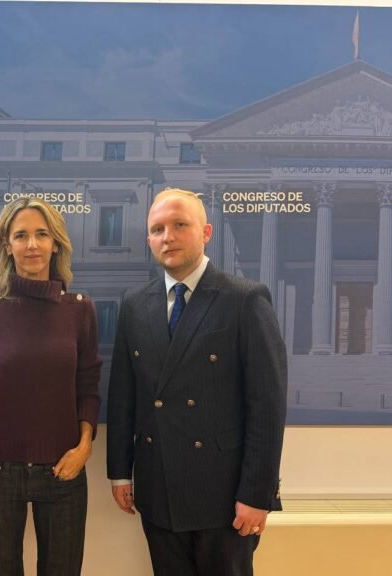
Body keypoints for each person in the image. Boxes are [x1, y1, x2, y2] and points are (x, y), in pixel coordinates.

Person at [107, 189, 287, 576]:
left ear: (206, 232)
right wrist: (120, 471)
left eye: (179, 225)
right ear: (148, 240)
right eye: (157, 229)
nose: (167, 236)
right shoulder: (135, 304)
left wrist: (257, 494)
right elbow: (124, 397)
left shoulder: (244, 299)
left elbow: (267, 408)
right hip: (158, 487)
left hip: (225, 495)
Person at [0, 197, 102, 576]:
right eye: (21, 235)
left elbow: (88, 386)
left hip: (64, 470)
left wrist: (84, 446)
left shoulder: (80, 309)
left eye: (41, 234)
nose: (32, 244)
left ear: (55, 244)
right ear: (7, 245)